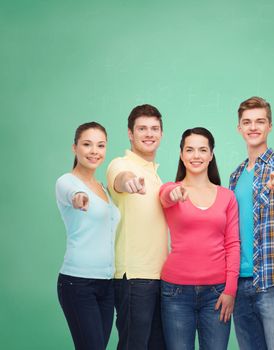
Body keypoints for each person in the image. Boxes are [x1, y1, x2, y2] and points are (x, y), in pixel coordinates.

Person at [229, 96, 274, 350]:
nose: (253, 127)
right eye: (247, 122)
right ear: (239, 128)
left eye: (260, 121)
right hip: (239, 282)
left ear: (269, 126)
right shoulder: (236, 175)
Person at [159, 127, 240, 350]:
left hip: (217, 293)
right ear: (181, 154)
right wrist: (173, 194)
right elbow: (165, 197)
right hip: (175, 292)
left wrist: (230, 289)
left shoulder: (227, 196)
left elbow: (233, 244)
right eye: (190, 150)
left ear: (211, 154)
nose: (196, 156)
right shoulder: (171, 189)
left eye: (203, 150)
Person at [106, 105, 168, 350]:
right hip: (134, 278)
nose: (149, 134)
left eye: (154, 129)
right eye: (142, 128)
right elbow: (120, 180)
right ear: (130, 134)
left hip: (161, 278)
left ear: (162, 134)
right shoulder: (120, 164)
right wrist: (128, 182)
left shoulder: (156, 175)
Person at [56, 122, 120, 350]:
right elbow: (73, 193)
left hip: (106, 284)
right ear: (75, 148)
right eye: (87, 144)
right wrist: (79, 197)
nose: (94, 151)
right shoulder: (66, 181)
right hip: (77, 283)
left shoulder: (103, 188)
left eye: (100, 145)